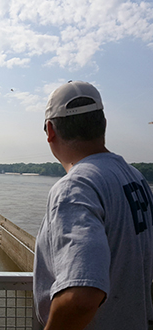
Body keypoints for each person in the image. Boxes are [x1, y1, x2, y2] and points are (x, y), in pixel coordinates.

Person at [34, 81, 153, 330]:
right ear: (103, 124)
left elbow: (81, 298)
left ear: (50, 130)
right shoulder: (134, 177)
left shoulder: (75, 187)